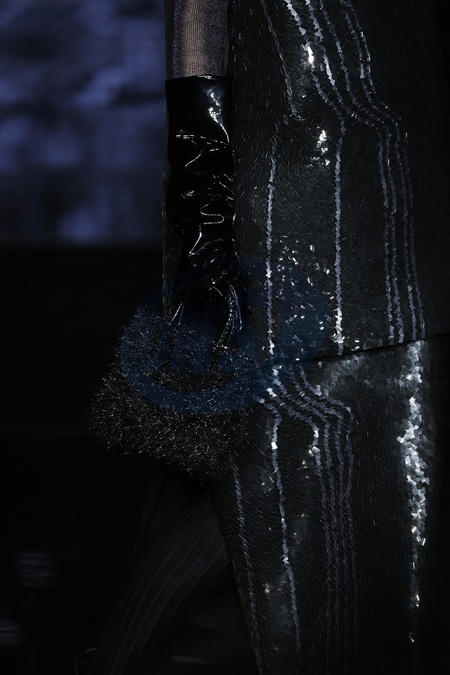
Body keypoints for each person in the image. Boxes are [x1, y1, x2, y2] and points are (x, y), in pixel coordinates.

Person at [78, 1, 450, 673]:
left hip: (404, 210)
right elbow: (198, 25)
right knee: (257, 489)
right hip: (296, 210)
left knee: (350, 511)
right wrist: (202, 215)